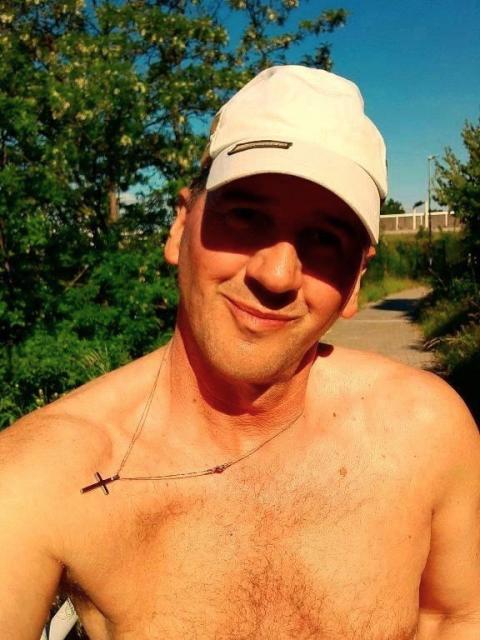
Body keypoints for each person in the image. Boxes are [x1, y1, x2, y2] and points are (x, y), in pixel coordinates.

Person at [1, 66, 479, 640]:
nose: (276, 275)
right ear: (180, 226)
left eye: (325, 239)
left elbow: (455, 615)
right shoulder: (40, 478)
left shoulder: (426, 432)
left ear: (356, 280)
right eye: (247, 217)